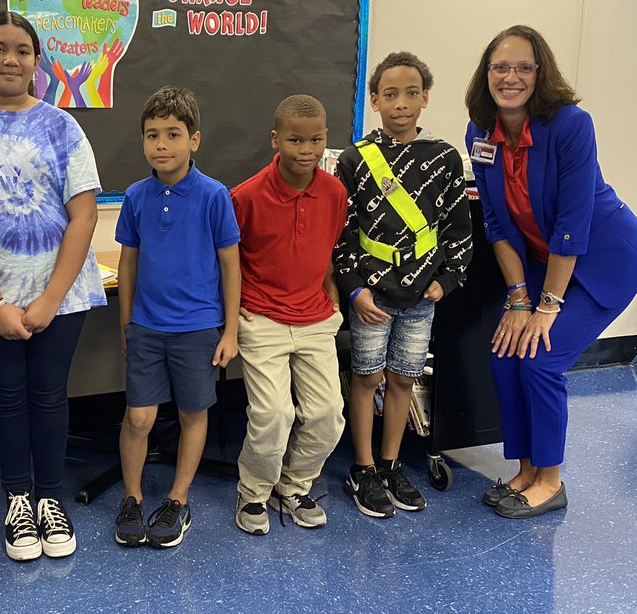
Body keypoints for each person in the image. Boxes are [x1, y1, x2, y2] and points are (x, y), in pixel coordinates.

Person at [464, 25, 637, 518]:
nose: (510, 77)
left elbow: (572, 226)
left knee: (540, 357)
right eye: (500, 67)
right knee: (505, 354)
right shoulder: (479, 130)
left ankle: (551, 480)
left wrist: (546, 307)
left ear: (541, 73)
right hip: (537, 260)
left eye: (523, 67)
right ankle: (528, 468)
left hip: (603, 261)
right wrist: (517, 298)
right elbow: (495, 222)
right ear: (486, 74)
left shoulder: (570, 125)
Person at [0, 11, 106, 561]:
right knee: (8, 398)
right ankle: (18, 499)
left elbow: (83, 217)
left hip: (63, 295)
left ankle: (51, 499)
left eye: (22, 50)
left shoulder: (63, 127)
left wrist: (51, 299)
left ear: (38, 61)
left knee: (50, 395)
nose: (11, 60)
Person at [334, 52, 473, 518]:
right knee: (367, 376)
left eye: (411, 93)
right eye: (389, 94)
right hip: (373, 292)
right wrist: (355, 288)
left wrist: (448, 279)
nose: (401, 103)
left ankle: (392, 464)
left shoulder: (445, 158)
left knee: (402, 378)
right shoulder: (356, 159)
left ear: (426, 98)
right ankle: (364, 466)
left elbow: (458, 226)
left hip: (422, 293)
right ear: (373, 101)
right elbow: (343, 233)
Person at [112, 87, 241, 548]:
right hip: (146, 327)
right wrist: (127, 323)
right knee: (140, 417)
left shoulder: (213, 196)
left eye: (172, 134)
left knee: (192, 412)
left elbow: (230, 264)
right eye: (151, 135)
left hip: (198, 328)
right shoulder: (135, 195)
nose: (161, 144)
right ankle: (131, 497)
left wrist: (230, 330)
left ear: (195, 140)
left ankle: (178, 500)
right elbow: (128, 262)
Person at [232, 94, 348, 535]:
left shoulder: (335, 192)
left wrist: (332, 299)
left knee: (326, 414)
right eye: (296, 140)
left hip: (316, 318)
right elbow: (229, 260)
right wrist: (236, 315)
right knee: (273, 415)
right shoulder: (246, 196)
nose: (307, 150)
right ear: (275, 139)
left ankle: (294, 484)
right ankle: (253, 493)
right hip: (261, 318)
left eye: (316, 139)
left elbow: (329, 251)